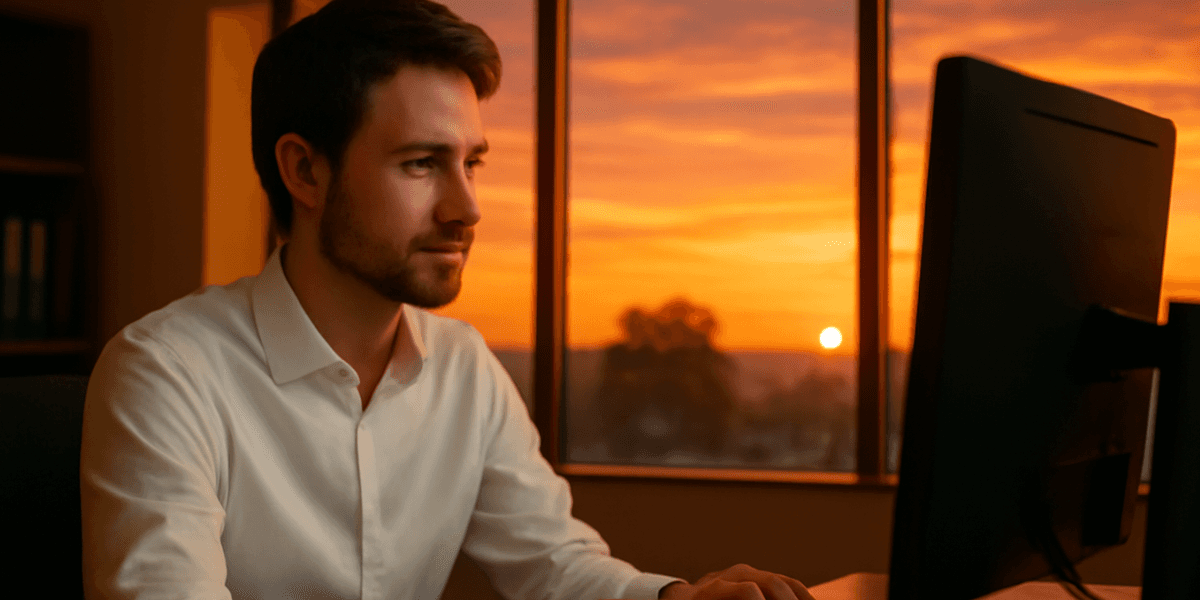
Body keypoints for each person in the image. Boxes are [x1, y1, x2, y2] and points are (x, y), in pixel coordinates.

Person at [80, 1, 816, 599]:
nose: (466, 207)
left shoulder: (463, 367)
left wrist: (676, 599)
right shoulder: (166, 373)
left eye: (472, 163)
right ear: (304, 172)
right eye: (422, 164)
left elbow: (555, 566)